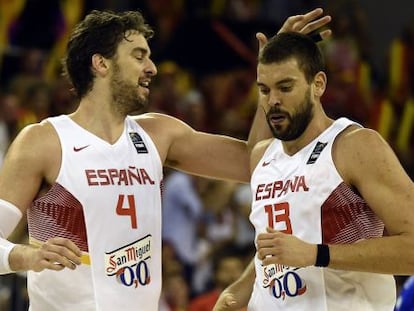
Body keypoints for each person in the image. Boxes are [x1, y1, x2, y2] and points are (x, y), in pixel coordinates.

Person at [0, 9, 332, 311]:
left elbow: (257, 165)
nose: (152, 68)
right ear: (101, 64)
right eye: (139, 56)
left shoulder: (159, 134)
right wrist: (27, 255)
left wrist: (270, 74)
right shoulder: (45, 141)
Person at [213, 32, 414, 311]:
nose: (273, 100)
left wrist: (317, 254)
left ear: (317, 84)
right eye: (264, 89)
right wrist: (237, 292)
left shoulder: (354, 146)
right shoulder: (262, 156)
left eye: (285, 87)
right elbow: (276, 252)